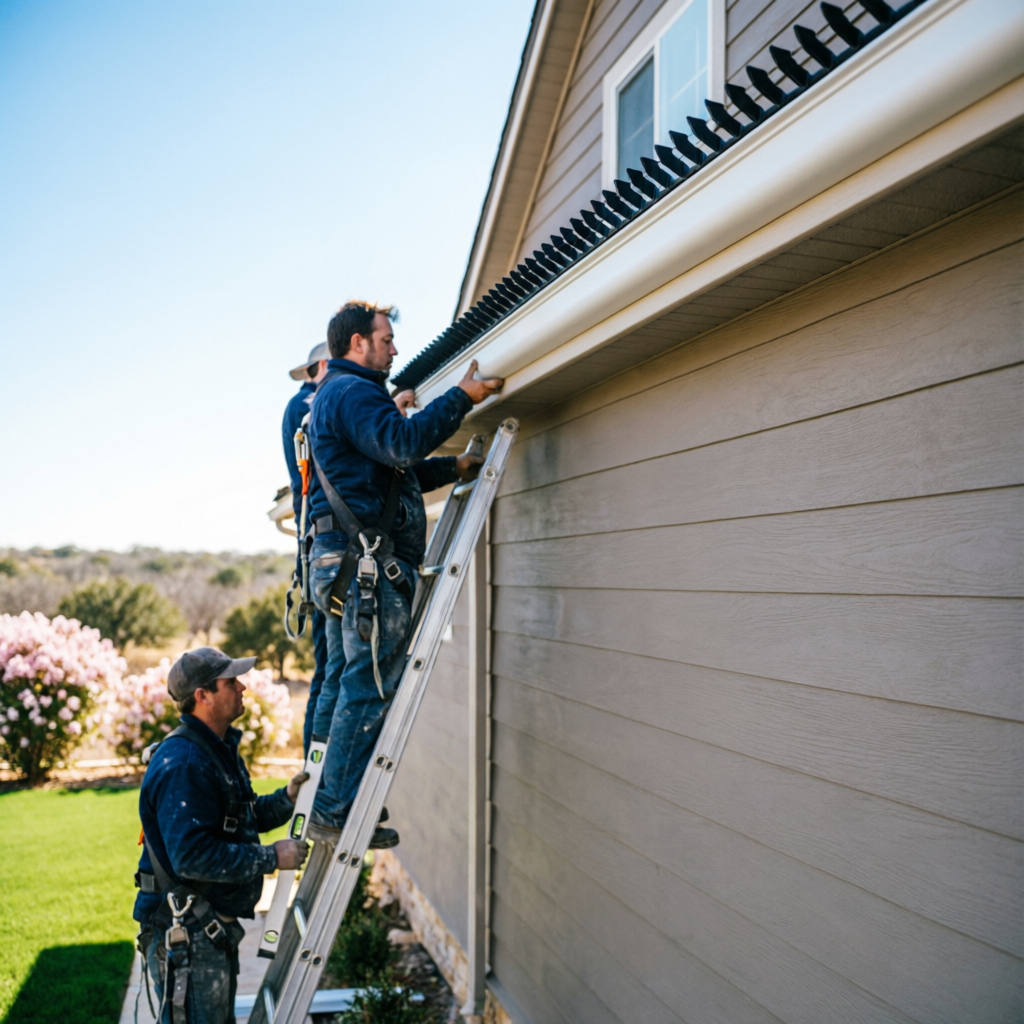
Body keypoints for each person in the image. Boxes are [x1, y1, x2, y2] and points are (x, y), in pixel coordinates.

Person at [306, 301, 502, 845]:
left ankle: (335, 801)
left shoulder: (343, 395)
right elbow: (401, 443)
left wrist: (448, 468)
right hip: (364, 567)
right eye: (386, 338)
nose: (395, 349)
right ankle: (335, 812)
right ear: (357, 344)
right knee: (367, 689)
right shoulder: (351, 392)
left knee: (355, 685)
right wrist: (463, 396)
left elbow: (389, 469)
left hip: (351, 565)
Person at [133, 647, 309, 1024]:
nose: (243, 687)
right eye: (231, 682)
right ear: (203, 695)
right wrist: (272, 857)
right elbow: (193, 856)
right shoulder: (185, 763)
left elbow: (237, 819)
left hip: (206, 929)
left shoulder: (214, 748)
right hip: (187, 933)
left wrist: (288, 799)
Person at [283, 343, 416, 754]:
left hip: (325, 552)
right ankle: (329, 791)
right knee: (342, 677)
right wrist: (386, 414)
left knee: (333, 675)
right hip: (344, 551)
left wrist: (383, 411)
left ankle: (319, 777)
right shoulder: (315, 400)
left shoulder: (318, 405)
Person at [283, 342, 330, 755]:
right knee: (329, 668)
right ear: (325, 366)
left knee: (326, 668)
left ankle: (314, 763)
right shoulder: (308, 406)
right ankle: (315, 763)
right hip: (320, 545)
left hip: (314, 545)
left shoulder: (307, 404)